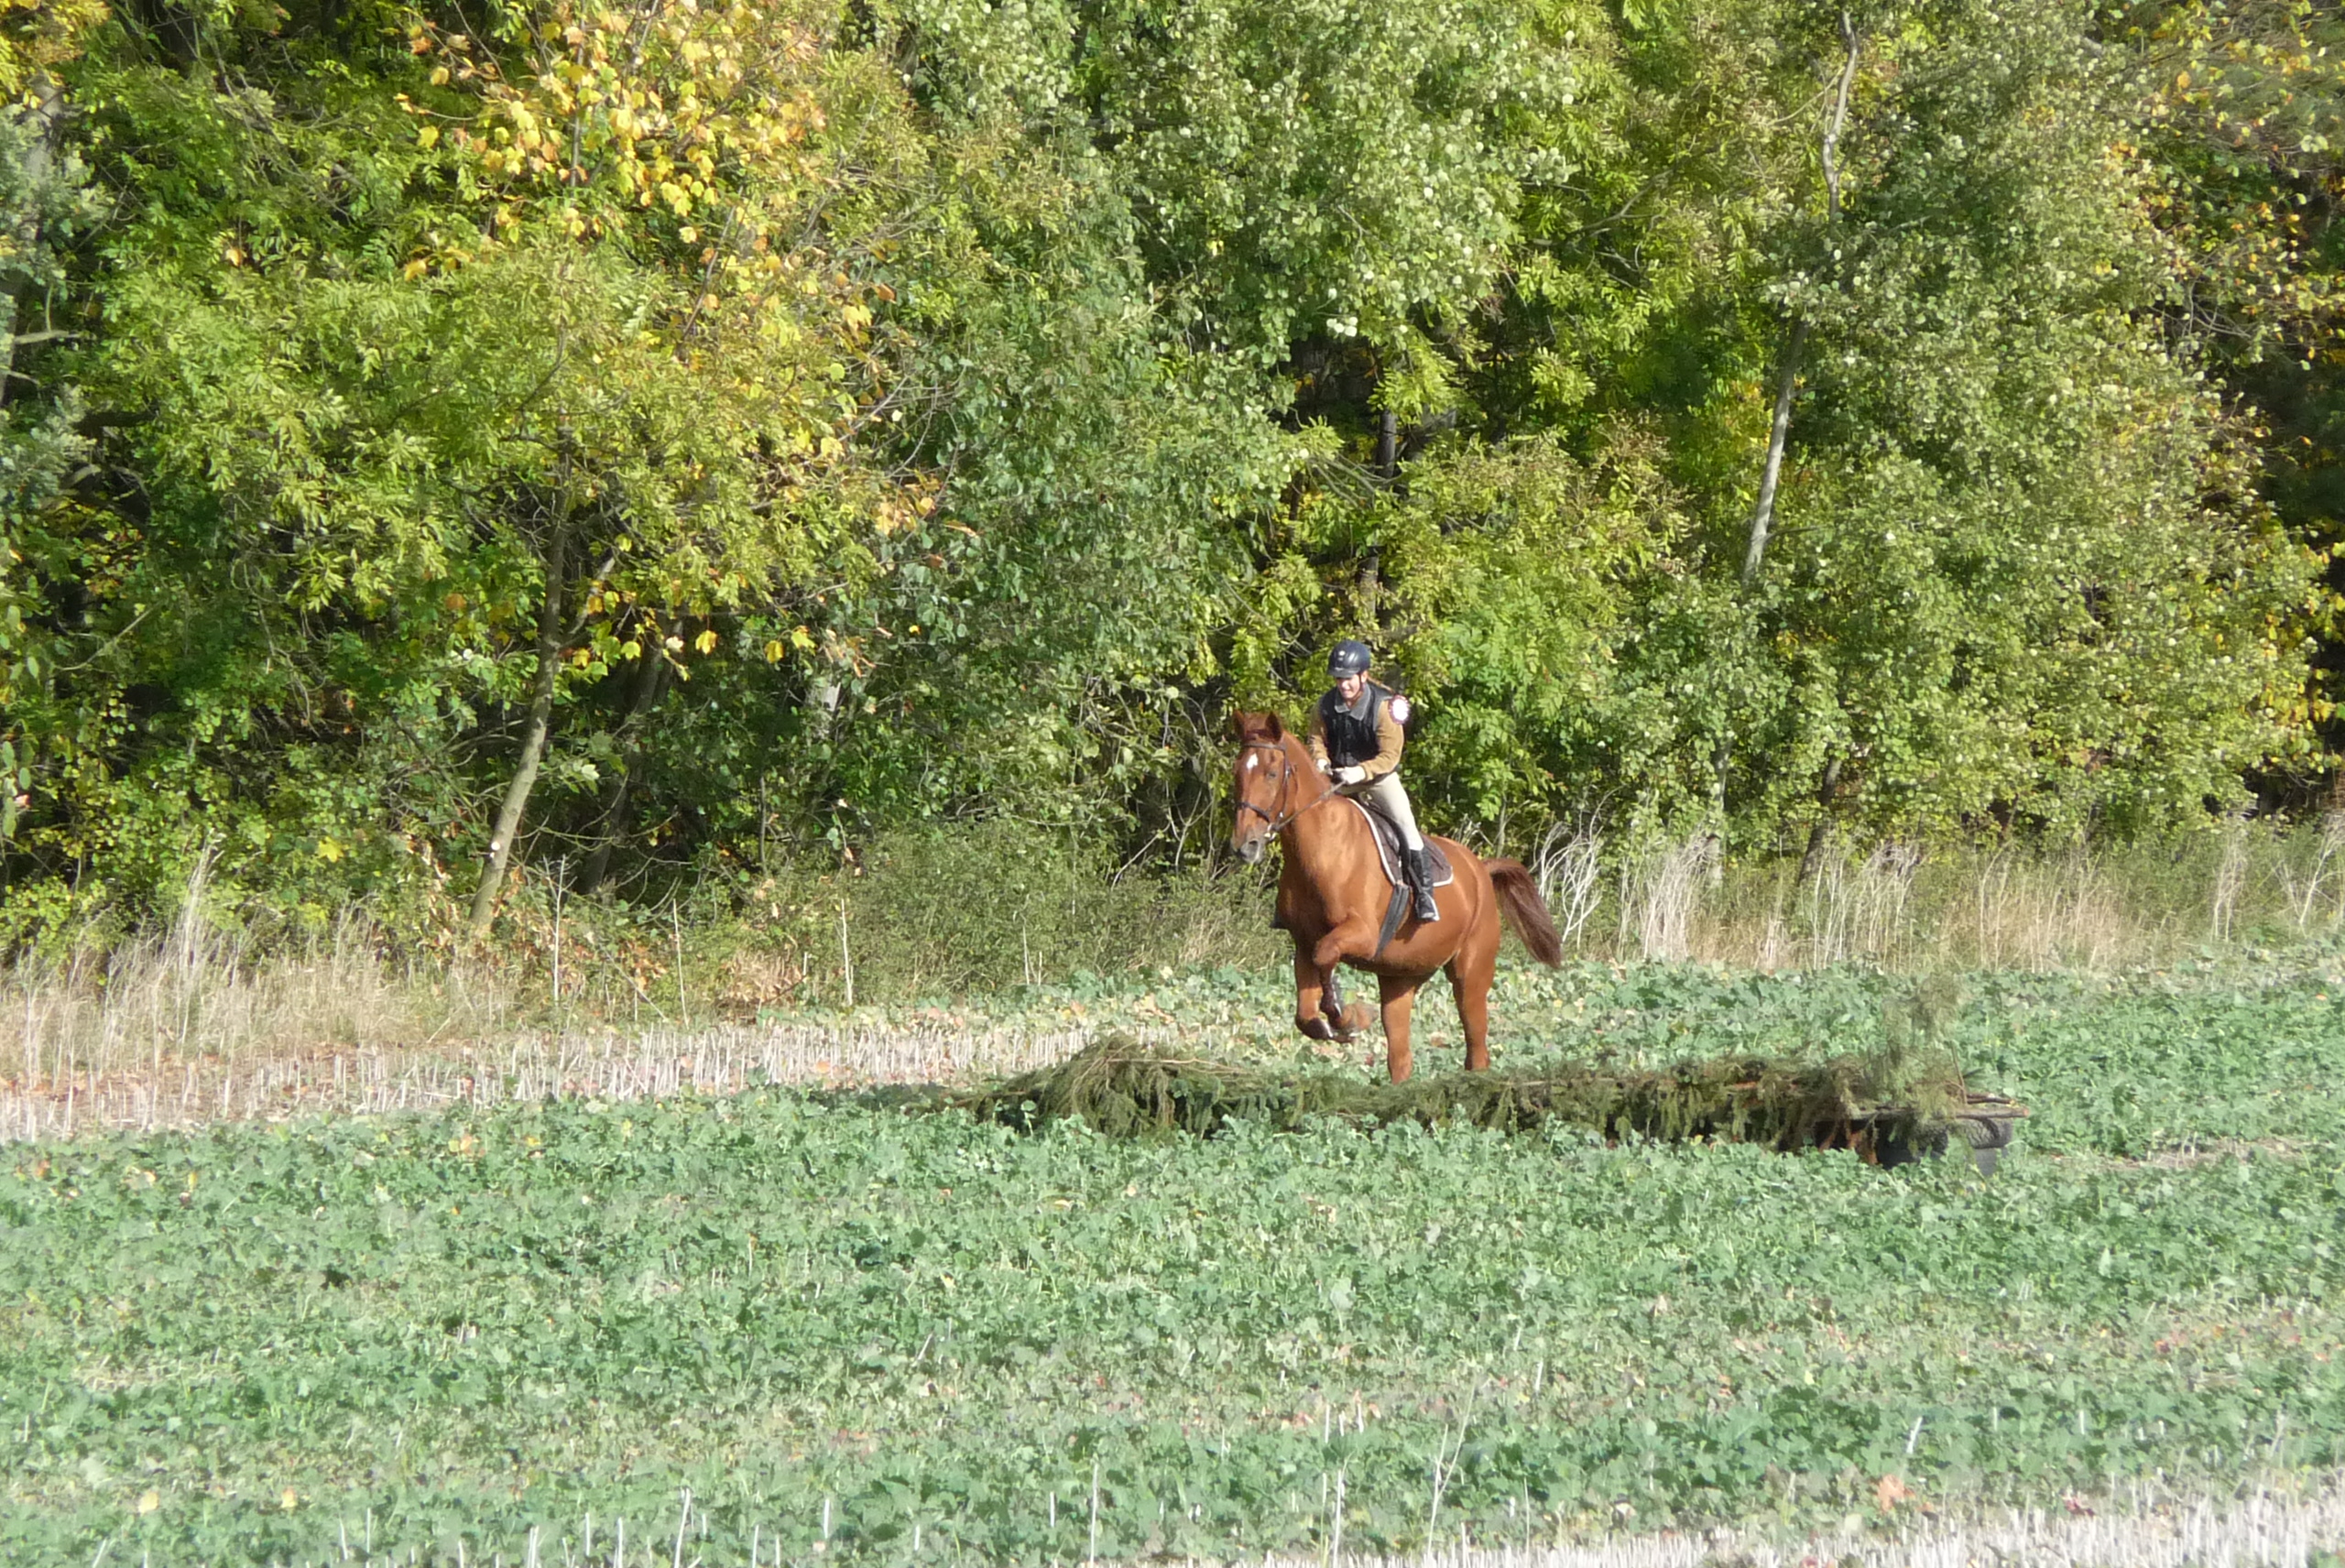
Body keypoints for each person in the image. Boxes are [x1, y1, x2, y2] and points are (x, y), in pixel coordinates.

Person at [1307, 639, 1439, 922]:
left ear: (1363, 676)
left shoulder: (1383, 706)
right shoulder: (1324, 705)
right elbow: (1317, 738)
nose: (1343, 685)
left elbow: (1390, 755)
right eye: (1339, 678)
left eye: (1349, 679)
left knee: (1406, 823)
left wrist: (1362, 772)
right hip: (1338, 778)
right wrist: (1320, 760)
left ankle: (1425, 895)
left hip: (1378, 779)